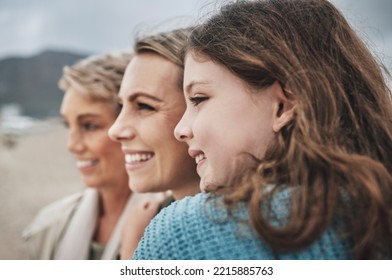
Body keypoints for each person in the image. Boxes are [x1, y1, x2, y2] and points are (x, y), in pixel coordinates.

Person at [133, 0, 392, 259]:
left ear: (282, 106)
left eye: (199, 99)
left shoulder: (185, 232)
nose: (181, 130)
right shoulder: (375, 208)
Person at [23, 52, 152, 259]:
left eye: (89, 126)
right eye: (68, 125)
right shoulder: (48, 228)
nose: (72, 146)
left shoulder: (170, 227)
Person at [108, 28, 200, 259]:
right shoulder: (151, 220)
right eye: (122, 107)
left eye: (144, 106)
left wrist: (133, 254)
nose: (115, 130)